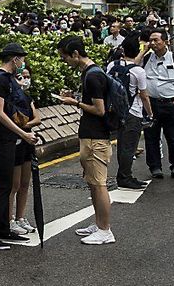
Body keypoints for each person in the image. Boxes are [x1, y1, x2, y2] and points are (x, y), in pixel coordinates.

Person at [57, 35, 115, 245]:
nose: (65, 62)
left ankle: (105, 230)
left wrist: (75, 103)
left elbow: (99, 110)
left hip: (96, 137)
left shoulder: (92, 76)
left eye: (65, 58)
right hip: (91, 135)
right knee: (92, 182)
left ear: (75, 54)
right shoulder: (91, 73)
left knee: (99, 184)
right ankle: (99, 223)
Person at [0, 42, 37, 250]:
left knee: (8, 185)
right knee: (3, 186)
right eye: (21, 59)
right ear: (14, 59)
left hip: (9, 137)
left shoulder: (9, 80)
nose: (23, 63)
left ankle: (4, 229)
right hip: (0, 138)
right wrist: (23, 133)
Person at [141, 28, 174, 179]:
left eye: (156, 40)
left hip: (171, 105)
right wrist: (143, 51)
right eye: (151, 40)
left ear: (166, 42)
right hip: (151, 105)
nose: (153, 43)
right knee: (151, 137)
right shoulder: (146, 59)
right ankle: (155, 167)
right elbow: (133, 66)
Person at [106, 35, 153, 189]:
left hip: (116, 111)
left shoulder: (113, 65)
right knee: (129, 147)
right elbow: (144, 95)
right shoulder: (138, 71)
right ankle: (125, 177)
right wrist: (150, 113)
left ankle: (123, 175)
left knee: (121, 144)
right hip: (133, 112)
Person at [7, 65, 40, 237]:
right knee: (14, 184)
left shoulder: (27, 97)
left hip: (28, 142)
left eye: (27, 76)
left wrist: (23, 126)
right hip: (16, 142)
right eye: (21, 76)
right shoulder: (10, 97)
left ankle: (20, 217)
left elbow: (37, 118)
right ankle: (9, 219)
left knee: (25, 183)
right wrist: (22, 128)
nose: (25, 80)